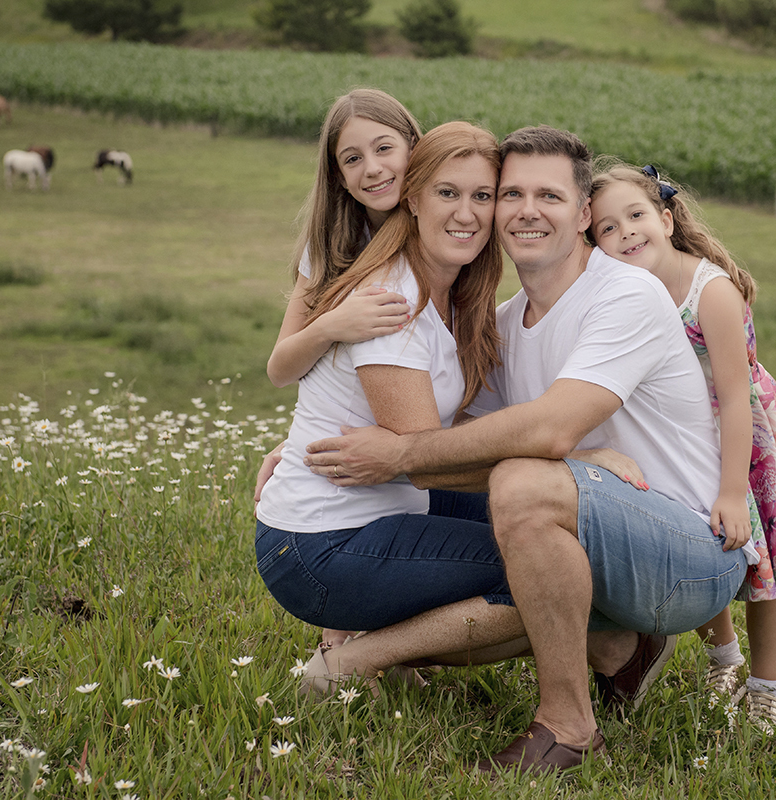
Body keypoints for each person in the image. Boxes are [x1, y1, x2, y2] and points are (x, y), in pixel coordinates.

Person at [302, 126, 749, 774]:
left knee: (517, 481)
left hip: (692, 553)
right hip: (601, 532)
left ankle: (568, 726)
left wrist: (400, 456)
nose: (527, 210)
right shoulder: (509, 322)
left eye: (549, 195)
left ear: (584, 214)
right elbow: (449, 440)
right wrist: (312, 453)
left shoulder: (625, 294)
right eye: (511, 194)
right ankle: (617, 647)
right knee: (440, 495)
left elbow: (546, 432)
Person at [256, 121, 529, 690]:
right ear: (414, 198)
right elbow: (430, 458)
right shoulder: (390, 300)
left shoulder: (456, 292)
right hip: (320, 547)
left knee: (538, 527)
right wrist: (572, 471)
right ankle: (354, 661)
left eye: (483, 196)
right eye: (448, 194)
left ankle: (386, 647)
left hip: (385, 510)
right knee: (546, 572)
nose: (467, 213)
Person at [588, 162, 776, 729]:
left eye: (636, 215)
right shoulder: (621, 290)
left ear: (667, 217)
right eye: (606, 228)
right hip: (683, 438)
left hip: (746, 439)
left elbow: (735, 398)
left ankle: (765, 688)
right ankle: (722, 658)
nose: (625, 232)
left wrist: (731, 488)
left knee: (764, 567)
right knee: (708, 542)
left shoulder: (710, 290)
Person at [261, 88, 421, 650]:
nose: (373, 169)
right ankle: (344, 643)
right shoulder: (333, 246)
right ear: (338, 176)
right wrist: (333, 323)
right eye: (352, 159)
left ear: (413, 147)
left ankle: (378, 642)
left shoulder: (443, 230)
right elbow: (281, 367)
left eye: (384, 148)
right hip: (343, 471)